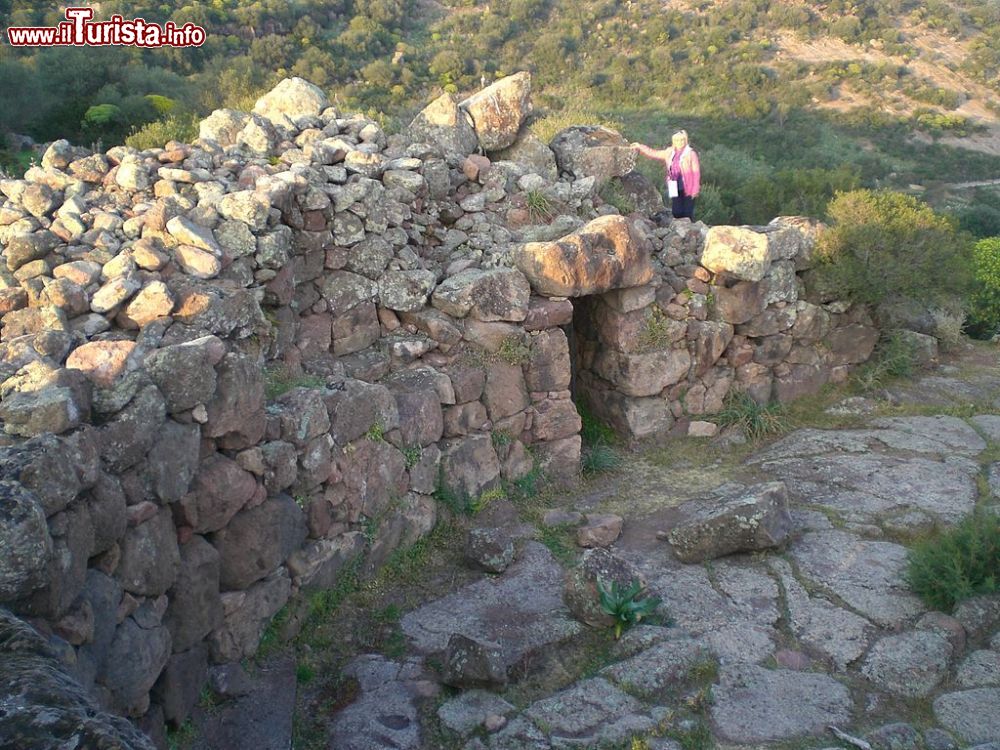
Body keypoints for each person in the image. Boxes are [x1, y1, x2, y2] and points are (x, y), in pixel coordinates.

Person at [632, 130, 701, 221]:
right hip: (673, 184)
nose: (679, 142)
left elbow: (696, 173)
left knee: (687, 212)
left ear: (685, 141)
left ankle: (689, 231)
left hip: (687, 186)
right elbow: (654, 153)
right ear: (673, 141)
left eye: (682, 140)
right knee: (676, 212)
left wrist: (695, 189)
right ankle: (678, 231)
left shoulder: (691, 154)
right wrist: (640, 147)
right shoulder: (669, 152)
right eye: (677, 140)